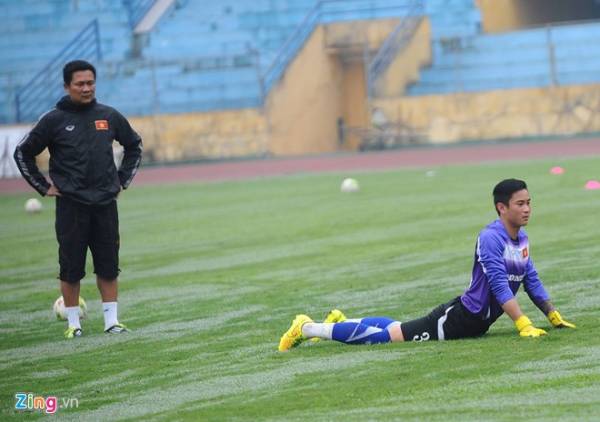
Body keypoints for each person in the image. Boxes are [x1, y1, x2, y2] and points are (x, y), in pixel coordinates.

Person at [279, 179, 576, 351]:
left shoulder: (521, 238)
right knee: (390, 337)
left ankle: (339, 321)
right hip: (461, 318)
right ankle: (307, 328)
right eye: (520, 204)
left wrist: (552, 315)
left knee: (397, 328)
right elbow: (499, 285)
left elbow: (530, 279)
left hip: (473, 322)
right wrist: (523, 324)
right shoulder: (490, 238)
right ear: (502, 208)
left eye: (529, 202)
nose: (527, 209)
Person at [14, 60, 143, 339]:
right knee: (71, 267)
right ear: (66, 86)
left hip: (105, 204)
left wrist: (122, 180)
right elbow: (23, 153)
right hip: (71, 206)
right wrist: (43, 186)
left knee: (108, 265)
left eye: (90, 83)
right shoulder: (53, 120)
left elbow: (134, 145)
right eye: (80, 84)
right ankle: (74, 324)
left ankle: (112, 322)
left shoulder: (108, 115)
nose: (86, 88)